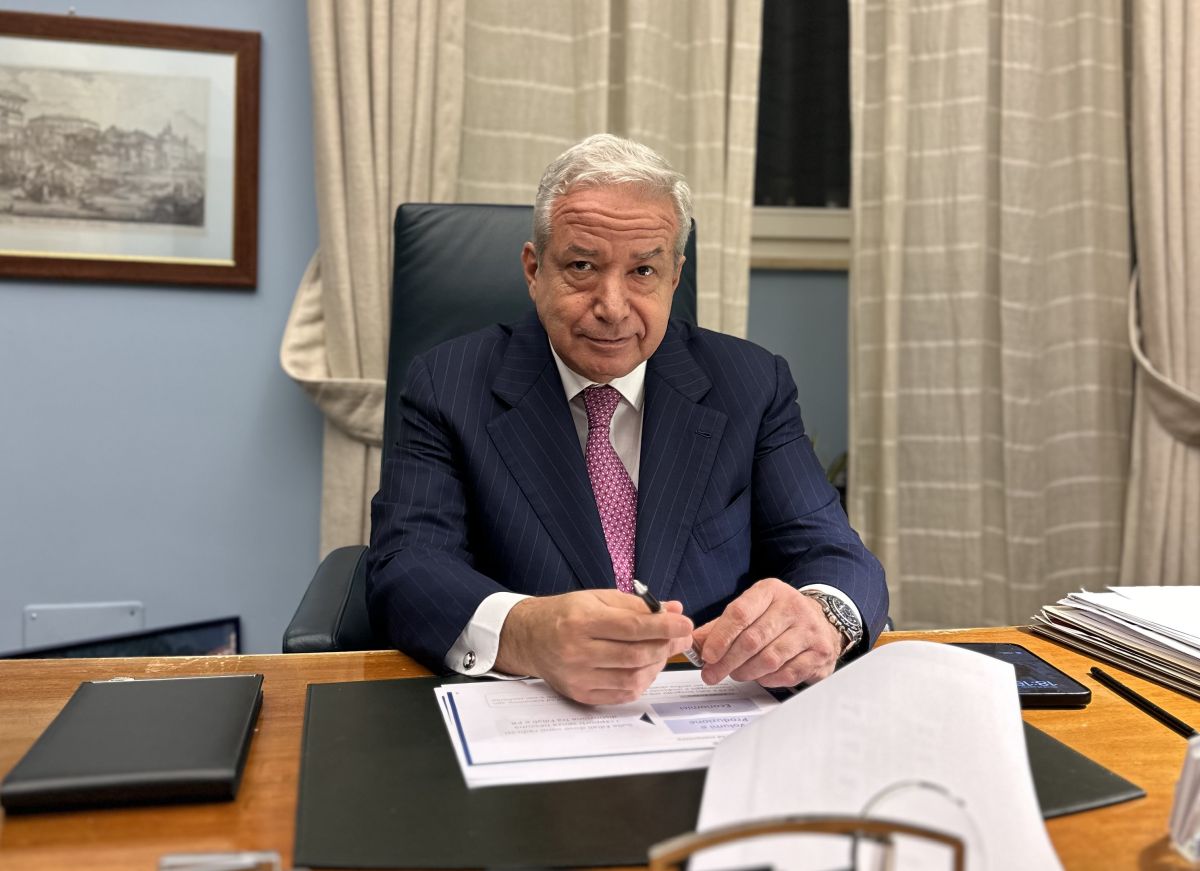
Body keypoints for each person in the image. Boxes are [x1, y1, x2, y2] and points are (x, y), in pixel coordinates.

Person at [367, 134, 887, 705]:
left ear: (674, 277)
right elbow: (408, 566)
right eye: (582, 266)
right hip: (528, 706)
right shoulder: (448, 384)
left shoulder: (750, 383)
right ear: (534, 270)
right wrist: (526, 633)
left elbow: (833, 553)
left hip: (709, 706)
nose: (612, 307)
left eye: (642, 271)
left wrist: (823, 617)